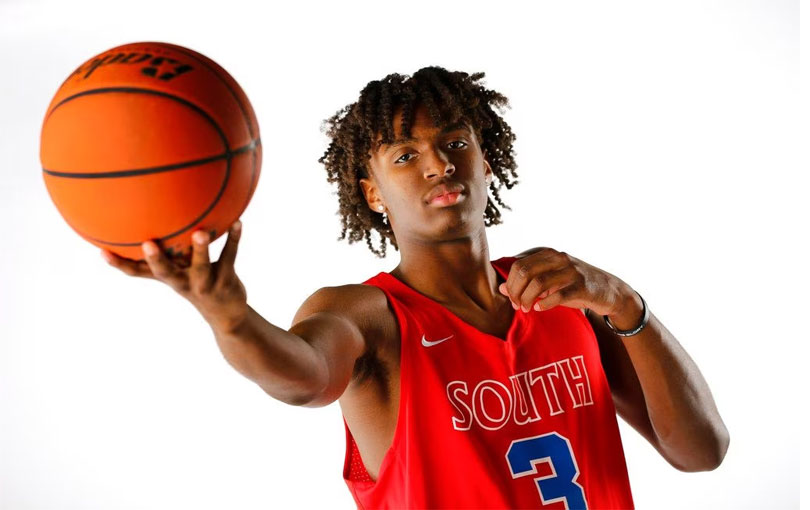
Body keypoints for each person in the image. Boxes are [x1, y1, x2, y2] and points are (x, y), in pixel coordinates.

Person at [102, 66, 729, 510]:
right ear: (372, 193)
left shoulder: (568, 295)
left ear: (486, 160)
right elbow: (302, 378)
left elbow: (702, 450)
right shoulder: (367, 314)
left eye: (455, 143)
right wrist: (229, 317)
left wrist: (623, 301)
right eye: (404, 155)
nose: (438, 164)